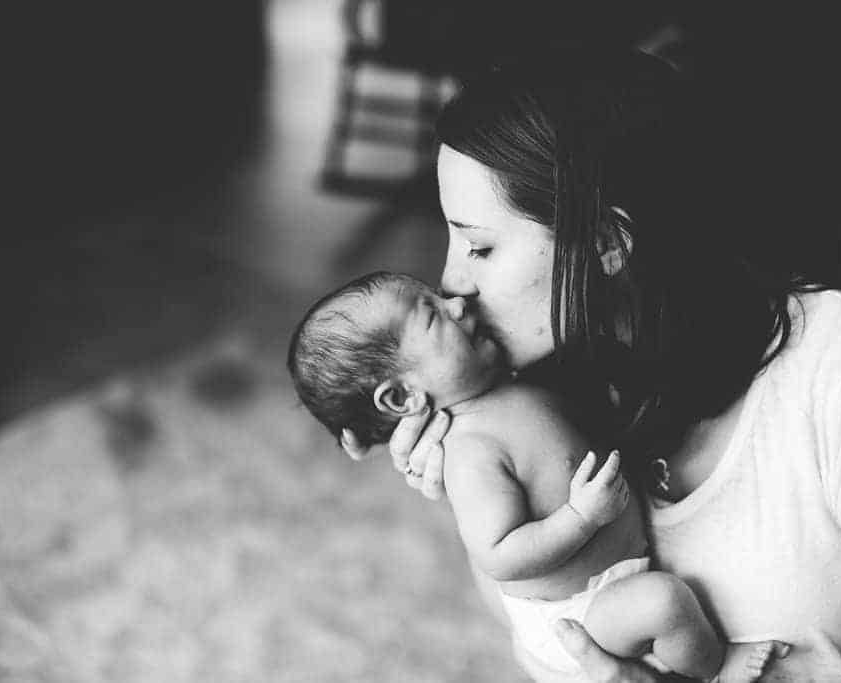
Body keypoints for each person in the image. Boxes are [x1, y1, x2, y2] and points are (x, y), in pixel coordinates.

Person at [339, 49, 841, 683]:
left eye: (480, 245)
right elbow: (542, 629)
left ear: (608, 245)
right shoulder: (540, 387)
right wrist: (477, 479)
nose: (452, 284)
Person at [289, 271, 784, 681]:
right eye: (433, 314)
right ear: (403, 398)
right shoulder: (468, 453)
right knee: (664, 602)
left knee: (664, 601)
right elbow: (500, 554)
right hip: (578, 609)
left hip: (609, 575)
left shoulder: (507, 386)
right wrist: (580, 518)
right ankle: (717, 671)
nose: (458, 303)